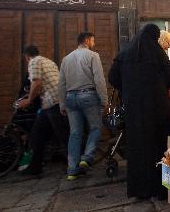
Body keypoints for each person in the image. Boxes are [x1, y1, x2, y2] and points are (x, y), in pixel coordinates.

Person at [108, 24, 170, 200]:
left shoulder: (125, 54)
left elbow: (113, 78)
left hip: (134, 111)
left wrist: (129, 89)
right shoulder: (157, 54)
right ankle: (160, 190)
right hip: (157, 110)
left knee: (138, 148)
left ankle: (140, 190)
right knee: (158, 147)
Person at [58, 32, 108, 180]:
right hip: (88, 95)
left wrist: (62, 103)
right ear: (86, 40)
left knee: (75, 133)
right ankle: (86, 158)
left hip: (70, 98)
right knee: (96, 127)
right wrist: (104, 99)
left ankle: (72, 170)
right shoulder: (93, 56)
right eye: (93, 40)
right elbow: (99, 79)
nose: (94, 43)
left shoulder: (66, 59)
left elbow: (61, 83)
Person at [18, 46, 69, 176]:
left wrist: (29, 100)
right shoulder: (49, 61)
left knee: (63, 136)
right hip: (51, 102)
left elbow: (37, 83)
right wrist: (31, 95)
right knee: (37, 134)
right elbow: (44, 84)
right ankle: (35, 166)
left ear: (26, 56)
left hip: (54, 102)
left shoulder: (33, 62)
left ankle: (76, 164)